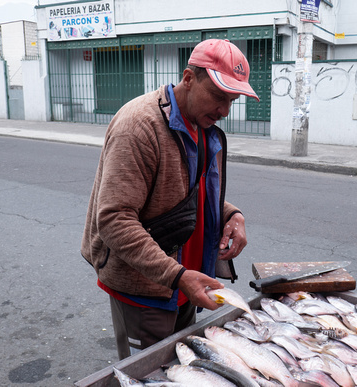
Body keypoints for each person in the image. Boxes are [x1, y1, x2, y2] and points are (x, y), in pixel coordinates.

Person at [81, 39, 259, 359]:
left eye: (232, 100)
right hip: (145, 287)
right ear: (188, 78)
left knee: (184, 367)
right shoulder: (139, 126)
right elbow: (114, 219)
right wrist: (177, 276)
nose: (224, 111)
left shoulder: (201, 125)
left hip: (187, 281)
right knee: (149, 371)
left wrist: (231, 214)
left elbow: (190, 191)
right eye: (219, 96)